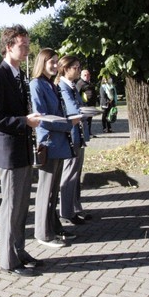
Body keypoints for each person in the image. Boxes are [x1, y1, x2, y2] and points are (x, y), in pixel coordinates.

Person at [0, 25, 42, 277]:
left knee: (21, 206)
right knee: (10, 207)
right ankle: (8, 260)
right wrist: (24, 121)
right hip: (10, 152)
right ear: (8, 46)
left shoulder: (20, 75)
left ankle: (19, 250)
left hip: (24, 150)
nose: (27, 49)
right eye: (22, 45)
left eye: (28, 44)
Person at [30, 48, 78, 248]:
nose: (56, 65)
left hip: (59, 142)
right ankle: (43, 233)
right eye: (52, 62)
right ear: (42, 63)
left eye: (57, 62)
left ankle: (53, 227)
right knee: (46, 191)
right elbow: (41, 117)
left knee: (53, 192)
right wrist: (68, 124)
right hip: (49, 143)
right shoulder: (36, 84)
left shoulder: (51, 84)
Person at [57, 55, 92, 225]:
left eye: (79, 67)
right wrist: (86, 112)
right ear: (65, 69)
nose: (78, 70)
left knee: (76, 174)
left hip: (78, 135)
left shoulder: (72, 86)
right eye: (75, 67)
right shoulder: (62, 87)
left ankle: (75, 208)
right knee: (69, 174)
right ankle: (66, 212)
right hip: (71, 136)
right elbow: (73, 109)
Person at [76, 69, 98, 136]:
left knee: (89, 119)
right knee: (85, 120)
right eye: (85, 75)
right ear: (81, 76)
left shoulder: (89, 83)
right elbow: (77, 95)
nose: (87, 76)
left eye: (88, 75)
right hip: (85, 105)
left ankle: (88, 133)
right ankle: (84, 133)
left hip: (91, 105)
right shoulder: (80, 83)